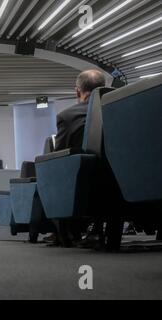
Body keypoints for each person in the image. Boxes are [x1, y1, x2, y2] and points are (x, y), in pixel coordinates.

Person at [48, 69, 107, 248]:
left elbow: (59, 155)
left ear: (77, 92)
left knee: (51, 170)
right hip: (126, 180)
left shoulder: (68, 117)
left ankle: (64, 231)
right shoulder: (122, 107)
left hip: (88, 185)